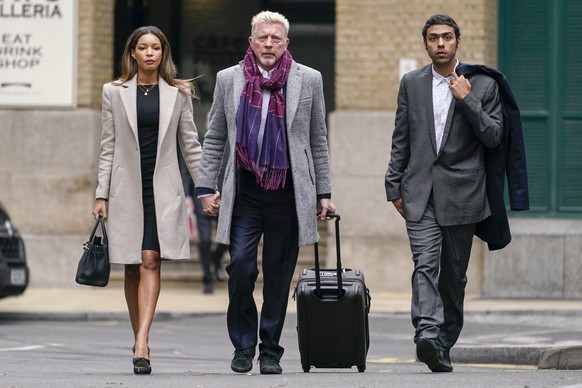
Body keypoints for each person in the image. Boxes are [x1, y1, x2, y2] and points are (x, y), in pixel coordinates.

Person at [195, 10, 335, 375]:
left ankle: (270, 350)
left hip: (288, 192)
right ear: (251, 42)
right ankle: (243, 344)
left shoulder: (309, 79)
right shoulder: (229, 79)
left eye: (276, 38)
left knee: (277, 274)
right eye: (262, 38)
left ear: (286, 43)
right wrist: (206, 186)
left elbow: (318, 139)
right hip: (244, 190)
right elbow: (216, 137)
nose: (269, 44)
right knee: (241, 267)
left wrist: (324, 192)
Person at [384, 14, 503, 373]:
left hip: (463, 194)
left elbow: (494, 136)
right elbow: (401, 137)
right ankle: (427, 332)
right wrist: (393, 184)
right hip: (419, 191)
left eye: (447, 37)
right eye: (433, 37)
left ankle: (444, 341)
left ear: (457, 43)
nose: (440, 43)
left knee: (453, 274)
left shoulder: (482, 85)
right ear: (425, 44)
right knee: (424, 263)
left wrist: (468, 101)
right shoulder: (411, 83)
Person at [92, 26, 201, 375]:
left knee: (151, 259)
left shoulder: (179, 93)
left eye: (156, 47)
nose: (150, 53)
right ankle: (139, 334)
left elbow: (191, 146)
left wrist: (207, 187)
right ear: (133, 53)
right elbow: (108, 146)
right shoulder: (113, 92)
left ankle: (142, 341)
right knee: (130, 264)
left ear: (163, 53)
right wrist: (101, 193)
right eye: (143, 47)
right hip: (126, 188)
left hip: (162, 187)